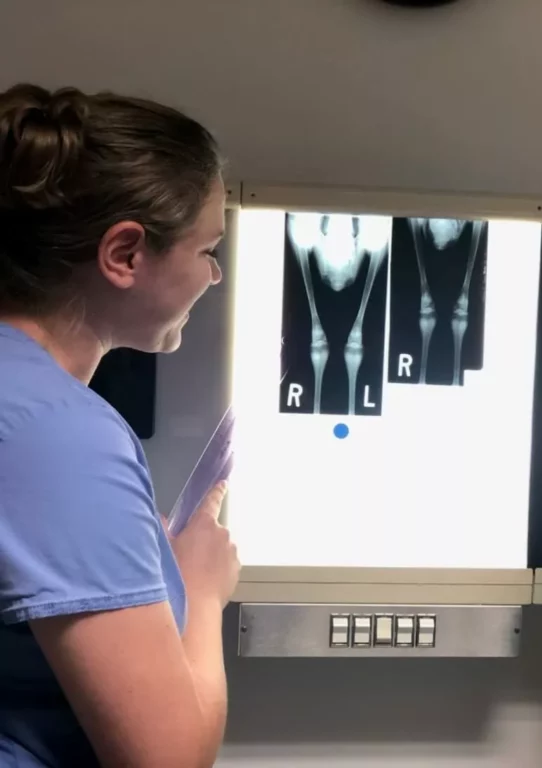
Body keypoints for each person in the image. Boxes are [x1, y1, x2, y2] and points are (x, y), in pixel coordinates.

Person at [0, 83, 239, 767]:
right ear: (126, 254)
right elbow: (166, 759)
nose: (215, 275)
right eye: (207, 249)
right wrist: (199, 585)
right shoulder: (60, 434)